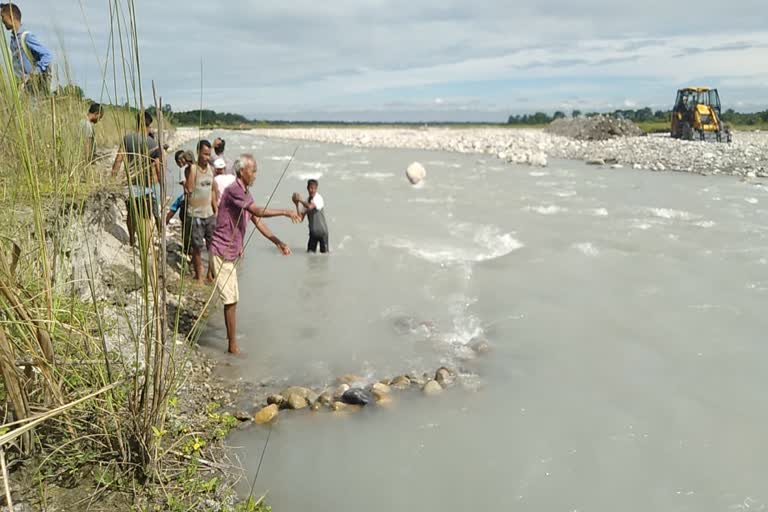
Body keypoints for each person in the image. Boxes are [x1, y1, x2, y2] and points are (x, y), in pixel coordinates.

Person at [210, 154, 300, 354]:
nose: (256, 174)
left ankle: (230, 339)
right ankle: (232, 346)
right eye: (253, 170)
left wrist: (278, 241)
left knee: (232, 298)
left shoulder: (245, 193)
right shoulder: (234, 190)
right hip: (222, 250)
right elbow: (258, 211)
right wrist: (285, 212)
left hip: (232, 252)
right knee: (231, 299)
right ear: (242, 172)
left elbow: (256, 220)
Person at [111, 111, 161, 247]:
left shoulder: (127, 139)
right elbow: (157, 167)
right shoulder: (153, 144)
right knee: (145, 216)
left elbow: (118, 160)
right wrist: (161, 183)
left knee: (131, 215)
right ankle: (145, 244)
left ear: (137, 123)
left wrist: (112, 180)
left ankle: (132, 239)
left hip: (130, 185)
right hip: (146, 186)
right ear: (149, 124)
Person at [0, 3, 53, 95]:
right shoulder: (13, 39)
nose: (2, 20)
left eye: (3, 16)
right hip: (22, 87)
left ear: (11, 16)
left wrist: (35, 72)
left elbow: (47, 55)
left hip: (33, 87)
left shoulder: (26, 37)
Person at [185, 140, 218, 283]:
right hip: (196, 215)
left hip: (209, 214)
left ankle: (210, 274)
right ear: (198, 152)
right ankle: (199, 276)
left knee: (213, 246)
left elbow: (213, 191)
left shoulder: (212, 169)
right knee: (197, 247)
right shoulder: (192, 169)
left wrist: (216, 210)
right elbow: (189, 190)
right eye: (204, 154)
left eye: (209, 154)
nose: (207, 157)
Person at [292, 179, 330, 253]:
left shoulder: (318, 198)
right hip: (313, 234)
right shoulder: (306, 201)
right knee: (310, 256)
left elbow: (310, 207)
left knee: (325, 256)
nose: (312, 190)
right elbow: (300, 219)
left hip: (323, 233)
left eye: (314, 188)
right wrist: (297, 204)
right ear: (307, 188)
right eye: (311, 188)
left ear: (316, 189)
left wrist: (300, 200)